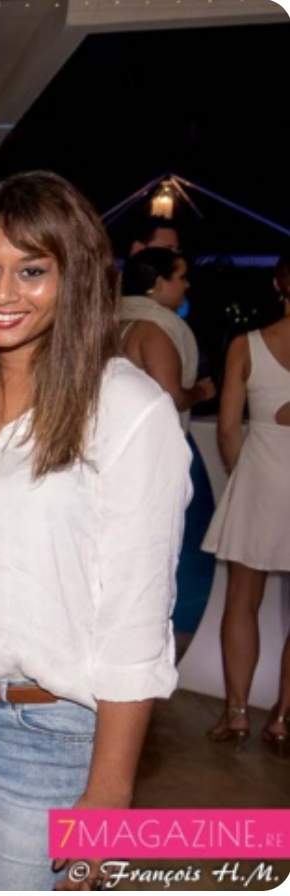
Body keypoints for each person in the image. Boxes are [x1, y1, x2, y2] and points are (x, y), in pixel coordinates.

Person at [0, 171, 191, 891]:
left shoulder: (128, 410)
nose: (2, 292)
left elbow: (137, 619)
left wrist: (110, 794)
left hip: (45, 733)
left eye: (32, 271)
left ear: (75, 278)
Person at [201, 253, 290, 757]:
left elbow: (229, 428)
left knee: (241, 600)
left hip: (260, 477)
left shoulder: (247, 344)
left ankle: (236, 712)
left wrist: (246, 475)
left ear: (279, 284)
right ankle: (282, 717)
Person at [120, 247, 216, 425]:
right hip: (150, 435)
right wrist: (201, 392)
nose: (187, 285)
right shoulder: (152, 329)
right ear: (159, 284)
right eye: (181, 278)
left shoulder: (118, 322)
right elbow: (171, 396)